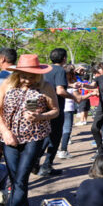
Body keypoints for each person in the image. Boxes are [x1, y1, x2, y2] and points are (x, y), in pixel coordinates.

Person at [0, 54, 59, 206]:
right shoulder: (7, 84)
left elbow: (55, 111)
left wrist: (40, 117)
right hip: (10, 138)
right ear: (17, 73)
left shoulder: (45, 86)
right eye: (24, 75)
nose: (27, 80)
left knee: (20, 179)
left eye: (31, 76)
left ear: (38, 74)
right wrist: (5, 132)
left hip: (34, 137)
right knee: (15, 180)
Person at [37, 48, 74, 177]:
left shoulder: (44, 69)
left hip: (41, 109)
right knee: (54, 137)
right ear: (64, 58)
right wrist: (75, 97)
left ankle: (34, 162)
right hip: (55, 108)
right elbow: (60, 91)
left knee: (43, 136)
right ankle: (46, 166)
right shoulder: (60, 70)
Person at [57, 65, 88, 160]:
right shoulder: (73, 84)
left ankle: (55, 149)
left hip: (58, 108)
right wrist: (91, 93)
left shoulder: (59, 83)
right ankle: (63, 150)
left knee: (57, 130)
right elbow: (78, 99)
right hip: (68, 109)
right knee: (66, 130)